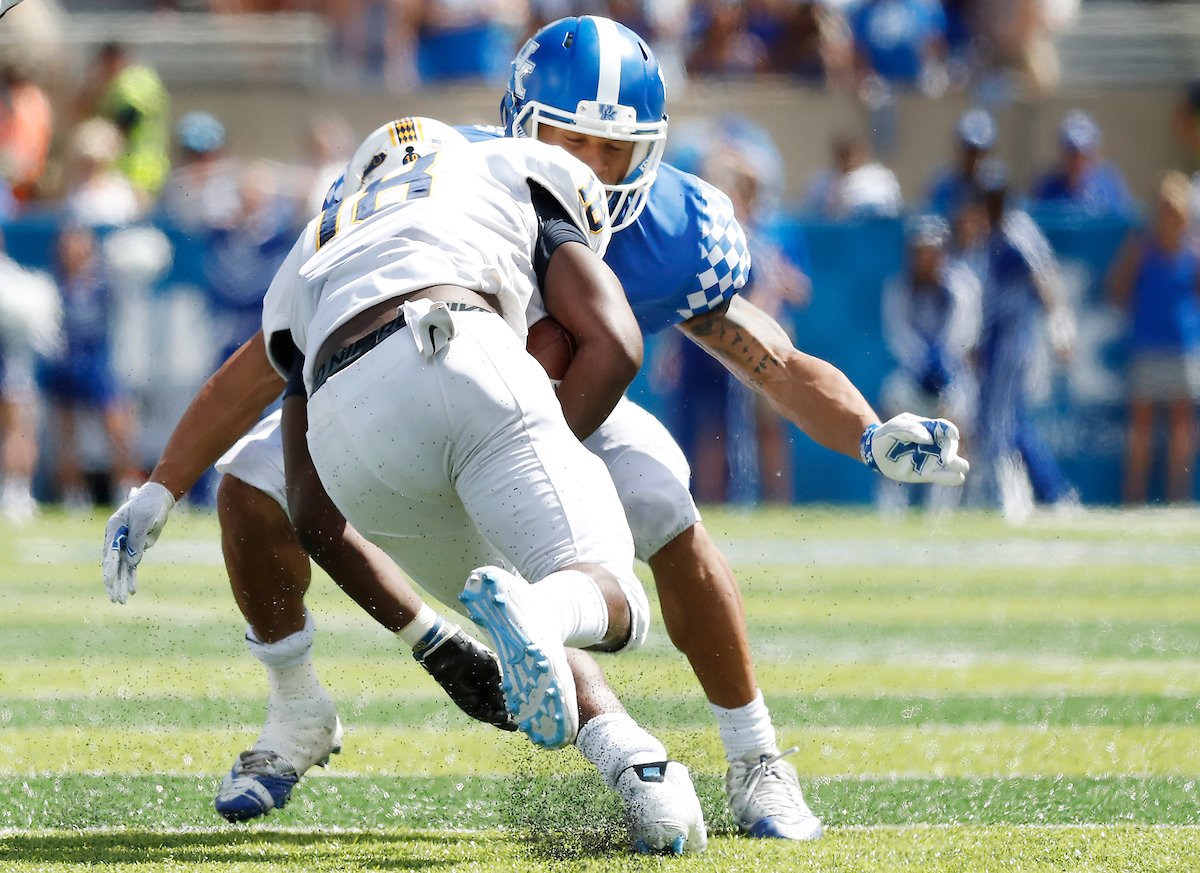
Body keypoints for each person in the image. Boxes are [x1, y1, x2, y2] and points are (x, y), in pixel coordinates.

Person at [103, 17, 968, 841]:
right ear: (521, 127)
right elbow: (270, 358)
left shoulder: (670, 230)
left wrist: (868, 430)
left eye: (613, 148)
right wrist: (163, 484)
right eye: (571, 141)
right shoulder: (465, 173)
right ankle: (295, 704)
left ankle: (755, 758)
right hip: (448, 374)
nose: (592, 165)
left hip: (555, 404)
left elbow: (770, 356)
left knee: (664, 498)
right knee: (252, 490)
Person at [106, 117, 709, 854]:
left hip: (350, 437)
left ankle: (640, 772)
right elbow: (614, 340)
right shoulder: (503, 166)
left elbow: (312, 509)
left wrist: (160, 489)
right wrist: (544, 439)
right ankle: (555, 613)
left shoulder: (316, 243)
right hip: (461, 352)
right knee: (603, 592)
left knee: (518, 613)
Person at [970, 159, 1076, 518]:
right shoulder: (989, 233)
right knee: (1011, 422)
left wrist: (1060, 324)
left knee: (999, 421)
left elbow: (1044, 275)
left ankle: (1013, 497)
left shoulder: (1016, 230)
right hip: (995, 339)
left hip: (1014, 339)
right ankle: (1053, 492)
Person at [1107, 172, 1200, 504]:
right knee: (1141, 425)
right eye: (1164, 208)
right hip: (1146, 347)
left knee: (1181, 425)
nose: (1169, 216)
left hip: (1183, 348)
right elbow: (1117, 287)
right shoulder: (1141, 249)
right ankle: (1133, 498)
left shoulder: (1193, 252)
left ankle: (1178, 498)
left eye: (1174, 209)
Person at [878, 215, 981, 513]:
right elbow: (897, 334)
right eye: (919, 252)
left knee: (956, 421)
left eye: (931, 251)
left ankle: (942, 510)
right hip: (913, 374)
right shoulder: (899, 287)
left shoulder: (961, 286)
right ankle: (891, 504)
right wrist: (922, 362)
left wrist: (942, 362)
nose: (925, 259)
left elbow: (964, 334)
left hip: (952, 374)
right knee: (890, 415)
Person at [41, 226, 141, 509]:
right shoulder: (54, 284)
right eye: (67, 245)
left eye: (79, 244)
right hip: (65, 365)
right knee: (66, 432)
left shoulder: (103, 283)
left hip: (98, 362)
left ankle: (125, 485)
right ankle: (73, 494)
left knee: (119, 426)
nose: (73, 251)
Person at [0, 227, 58, 522]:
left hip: (11, 365)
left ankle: (17, 490)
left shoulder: (12, 276)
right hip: (10, 364)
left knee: (19, 427)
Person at [77, 42, 171, 202]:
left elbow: (125, 122)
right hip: (145, 170)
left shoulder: (130, 83)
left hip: (135, 174)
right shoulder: (141, 80)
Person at [1029, 110, 1136, 220]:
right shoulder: (1047, 188)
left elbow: (1126, 220)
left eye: (1085, 156)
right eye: (1072, 155)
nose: (1079, 163)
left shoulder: (1110, 185)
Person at [802, 133, 903, 219]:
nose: (847, 159)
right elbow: (815, 211)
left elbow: (882, 212)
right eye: (842, 154)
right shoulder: (822, 180)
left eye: (850, 154)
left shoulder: (877, 179)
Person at [924, 108, 997, 223]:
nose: (975, 160)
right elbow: (932, 226)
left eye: (980, 153)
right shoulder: (943, 185)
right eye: (970, 152)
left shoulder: (996, 185)